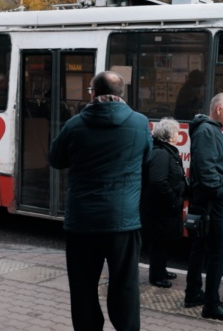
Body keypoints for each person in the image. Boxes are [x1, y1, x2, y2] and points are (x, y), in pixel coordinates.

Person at [49, 71, 152, 331]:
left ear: (92, 93)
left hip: (82, 222)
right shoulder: (140, 123)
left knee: (83, 287)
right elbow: (147, 157)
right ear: (121, 94)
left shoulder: (74, 124)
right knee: (125, 284)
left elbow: (56, 159)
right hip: (123, 220)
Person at [184, 92, 223, 320]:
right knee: (220, 250)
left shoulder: (208, 129)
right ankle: (211, 305)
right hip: (211, 203)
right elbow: (206, 170)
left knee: (201, 247)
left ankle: (194, 294)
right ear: (218, 109)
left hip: (206, 202)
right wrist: (221, 192)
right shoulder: (208, 131)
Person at [141, 117, 187, 289]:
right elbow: (158, 182)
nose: (179, 135)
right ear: (170, 135)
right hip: (159, 208)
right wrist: (174, 201)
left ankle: (161, 270)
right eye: (177, 132)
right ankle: (156, 276)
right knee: (158, 242)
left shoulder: (165, 151)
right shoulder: (161, 153)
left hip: (163, 207)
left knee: (163, 242)